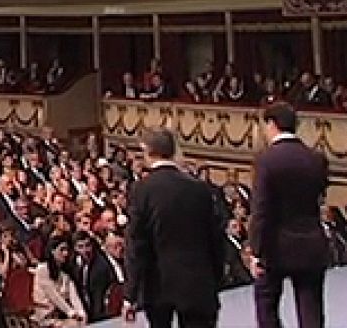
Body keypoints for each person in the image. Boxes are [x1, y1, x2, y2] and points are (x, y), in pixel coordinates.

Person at [124, 129, 225, 328]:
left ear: (148, 152)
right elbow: (216, 239)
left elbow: (137, 245)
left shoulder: (142, 189)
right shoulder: (200, 188)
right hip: (198, 282)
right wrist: (215, 279)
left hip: (159, 285)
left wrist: (130, 294)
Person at [249, 102, 329, 328]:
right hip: (312, 243)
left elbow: (261, 210)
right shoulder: (316, 159)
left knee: (267, 307)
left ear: (271, 124)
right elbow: (319, 197)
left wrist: (256, 251)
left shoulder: (266, 160)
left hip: (275, 246)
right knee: (311, 310)